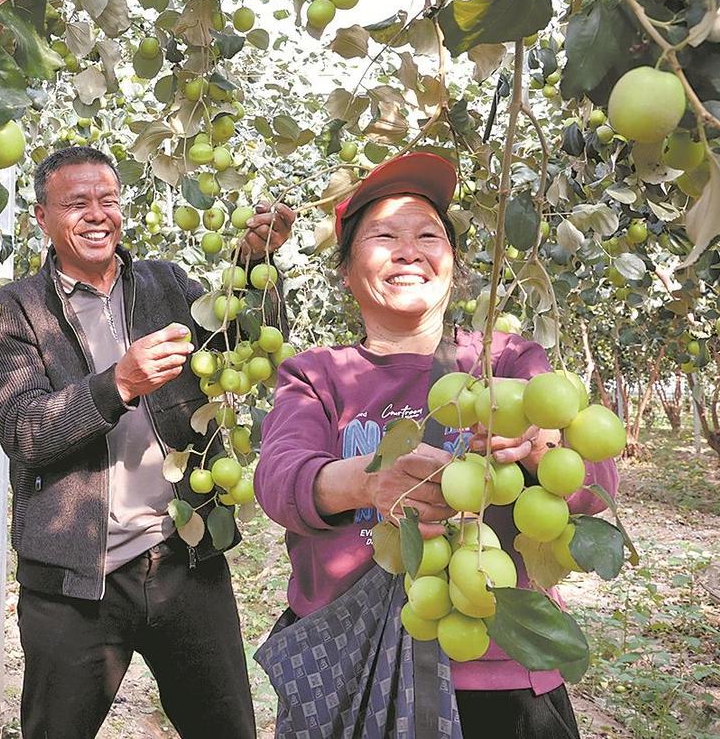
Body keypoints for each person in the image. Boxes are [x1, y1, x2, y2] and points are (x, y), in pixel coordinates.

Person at [254, 152, 618, 739]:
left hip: (496, 671)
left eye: (428, 234)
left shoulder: (508, 362)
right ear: (347, 270)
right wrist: (370, 483)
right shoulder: (315, 374)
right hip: (350, 667)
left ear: (454, 266)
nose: (408, 250)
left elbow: (596, 484)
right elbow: (281, 479)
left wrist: (541, 448)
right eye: (383, 236)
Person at [0, 144, 296, 739]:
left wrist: (257, 267)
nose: (97, 214)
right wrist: (117, 384)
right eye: (76, 203)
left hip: (185, 561)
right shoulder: (15, 310)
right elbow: (24, 432)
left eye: (108, 200)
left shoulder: (167, 284)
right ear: (41, 218)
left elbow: (245, 343)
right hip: (76, 579)